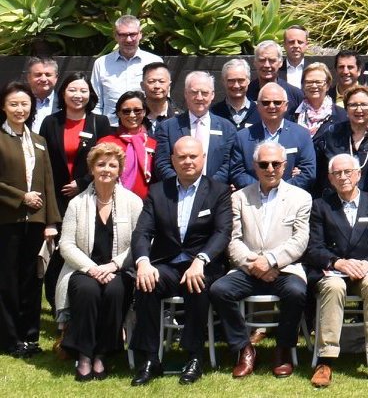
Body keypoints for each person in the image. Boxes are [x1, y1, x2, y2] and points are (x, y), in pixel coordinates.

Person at [129, 135, 232, 386]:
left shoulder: (218, 191)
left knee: (196, 284)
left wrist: (201, 260)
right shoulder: (157, 191)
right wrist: (143, 262)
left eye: (193, 156)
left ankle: (194, 355)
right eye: (182, 157)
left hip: (203, 265)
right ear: (172, 160)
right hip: (167, 263)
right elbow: (143, 232)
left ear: (203, 159)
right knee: (146, 283)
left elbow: (222, 232)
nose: (188, 161)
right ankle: (151, 358)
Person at [211, 141, 312, 379]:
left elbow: (300, 240)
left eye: (276, 163)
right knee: (219, 290)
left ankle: (282, 350)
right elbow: (232, 239)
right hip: (248, 269)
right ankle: (244, 349)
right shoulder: (238, 198)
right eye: (264, 164)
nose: (270, 168)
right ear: (254, 166)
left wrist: (271, 261)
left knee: (297, 293)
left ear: (285, 166)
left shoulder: (301, 197)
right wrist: (252, 264)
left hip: (284, 269)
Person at [55, 141, 143, 381]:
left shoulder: (134, 203)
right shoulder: (77, 203)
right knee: (87, 291)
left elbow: (139, 244)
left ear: (119, 170)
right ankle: (84, 354)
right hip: (83, 269)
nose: (106, 169)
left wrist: (113, 266)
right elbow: (66, 245)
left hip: (120, 270)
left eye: (112, 165)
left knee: (115, 291)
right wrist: (93, 269)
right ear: (91, 169)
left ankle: (102, 354)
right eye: (100, 164)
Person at [305, 152, 368, 387]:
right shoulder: (320, 207)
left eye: (348, 172)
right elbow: (314, 248)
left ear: (358, 174)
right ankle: (326, 360)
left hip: (367, 271)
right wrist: (338, 262)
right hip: (334, 271)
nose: (343, 177)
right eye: (337, 173)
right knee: (333, 287)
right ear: (330, 179)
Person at [0, 82, 59, 359]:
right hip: (7, 220)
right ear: (4, 107)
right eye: (14, 104)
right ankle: (10, 338)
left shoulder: (38, 141)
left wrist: (50, 221)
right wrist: (21, 197)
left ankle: (30, 336)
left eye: (24, 104)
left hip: (35, 222)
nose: (19, 109)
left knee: (32, 279)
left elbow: (48, 183)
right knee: (7, 281)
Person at [38, 73, 114, 215]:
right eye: (72, 90)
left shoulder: (100, 122)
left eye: (83, 91)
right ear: (63, 93)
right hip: (56, 196)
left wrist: (83, 182)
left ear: (90, 94)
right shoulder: (50, 122)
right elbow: (41, 159)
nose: (78, 95)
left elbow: (108, 159)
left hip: (90, 193)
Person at [227, 83, 317, 191]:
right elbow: (237, 172)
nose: (271, 106)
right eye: (266, 102)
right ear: (258, 106)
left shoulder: (302, 134)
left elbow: (308, 173)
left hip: (289, 200)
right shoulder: (242, 137)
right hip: (254, 200)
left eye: (277, 102)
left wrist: (280, 191)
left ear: (286, 106)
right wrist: (261, 189)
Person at [153, 71, 236, 185]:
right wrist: (182, 185)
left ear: (212, 95)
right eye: (194, 92)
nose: (199, 97)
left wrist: (208, 188)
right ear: (186, 94)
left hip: (214, 194)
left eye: (204, 93)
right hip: (176, 194)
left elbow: (228, 164)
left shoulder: (227, 128)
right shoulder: (167, 127)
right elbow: (162, 164)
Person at [90, 15, 161, 118]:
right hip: (111, 126)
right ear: (115, 36)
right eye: (123, 35)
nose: (128, 40)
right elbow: (97, 103)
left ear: (140, 34)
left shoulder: (155, 61)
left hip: (145, 126)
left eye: (133, 34)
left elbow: (162, 99)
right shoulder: (101, 63)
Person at [99, 90, 156, 200]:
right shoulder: (105, 143)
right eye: (126, 111)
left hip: (146, 204)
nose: (132, 115)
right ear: (119, 113)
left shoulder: (153, 144)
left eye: (137, 110)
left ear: (144, 112)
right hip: (111, 201)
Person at [290, 62, 347, 145]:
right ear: (303, 85)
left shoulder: (342, 116)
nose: (314, 86)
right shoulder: (292, 114)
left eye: (318, 82)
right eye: (309, 82)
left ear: (327, 85)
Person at [249, 40, 303, 107]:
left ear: (280, 63)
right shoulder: (246, 93)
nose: (267, 65)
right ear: (255, 63)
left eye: (272, 60)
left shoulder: (295, 95)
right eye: (262, 60)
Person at [211, 58, 256, 130]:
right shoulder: (213, 113)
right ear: (223, 81)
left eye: (241, 80)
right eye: (231, 81)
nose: (236, 86)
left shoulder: (260, 112)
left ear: (248, 80)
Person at [24, 57, 58, 132]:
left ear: (56, 78)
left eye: (48, 75)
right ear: (29, 78)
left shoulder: (64, 104)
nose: (43, 79)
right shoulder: (18, 102)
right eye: (38, 75)